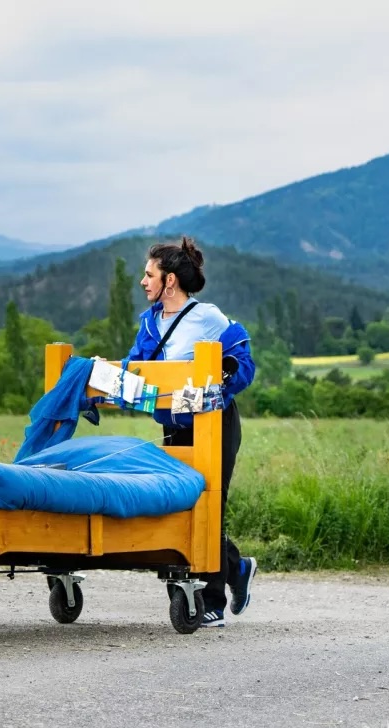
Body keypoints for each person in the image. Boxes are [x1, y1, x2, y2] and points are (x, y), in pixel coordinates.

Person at [124, 237, 257, 627]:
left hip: (214, 423)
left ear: (170, 280)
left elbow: (242, 361)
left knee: (209, 504)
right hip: (174, 425)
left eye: (149, 274)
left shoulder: (206, 317)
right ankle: (235, 568)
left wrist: (225, 375)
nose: (142, 281)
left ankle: (211, 600)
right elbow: (137, 368)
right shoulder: (150, 323)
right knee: (180, 505)